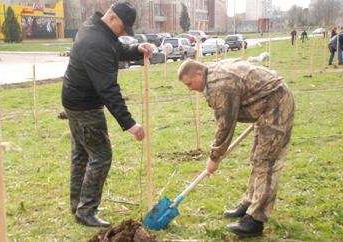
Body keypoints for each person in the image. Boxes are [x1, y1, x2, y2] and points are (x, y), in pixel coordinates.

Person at [177, 58, 295, 237]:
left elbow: (225, 125)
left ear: (199, 73)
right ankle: (248, 204)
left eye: (190, 83)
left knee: (266, 163)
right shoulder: (211, 71)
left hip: (276, 104)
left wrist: (214, 157)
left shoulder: (219, 86)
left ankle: (255, 220)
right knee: (257, 158)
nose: (190, 89)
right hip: (265, 103)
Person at [61, 0, 153, 227]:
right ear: (112, 18)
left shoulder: (94, 28)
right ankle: (86, 210)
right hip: (85, 106)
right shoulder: (95, 41)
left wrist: (136, 49)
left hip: (74, 100)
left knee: (82, 154)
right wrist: (130, 124)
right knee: (101, 156)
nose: (123, 33)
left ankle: (78, 204)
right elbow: (108, 89)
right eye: (122, 28)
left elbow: (115, 48)